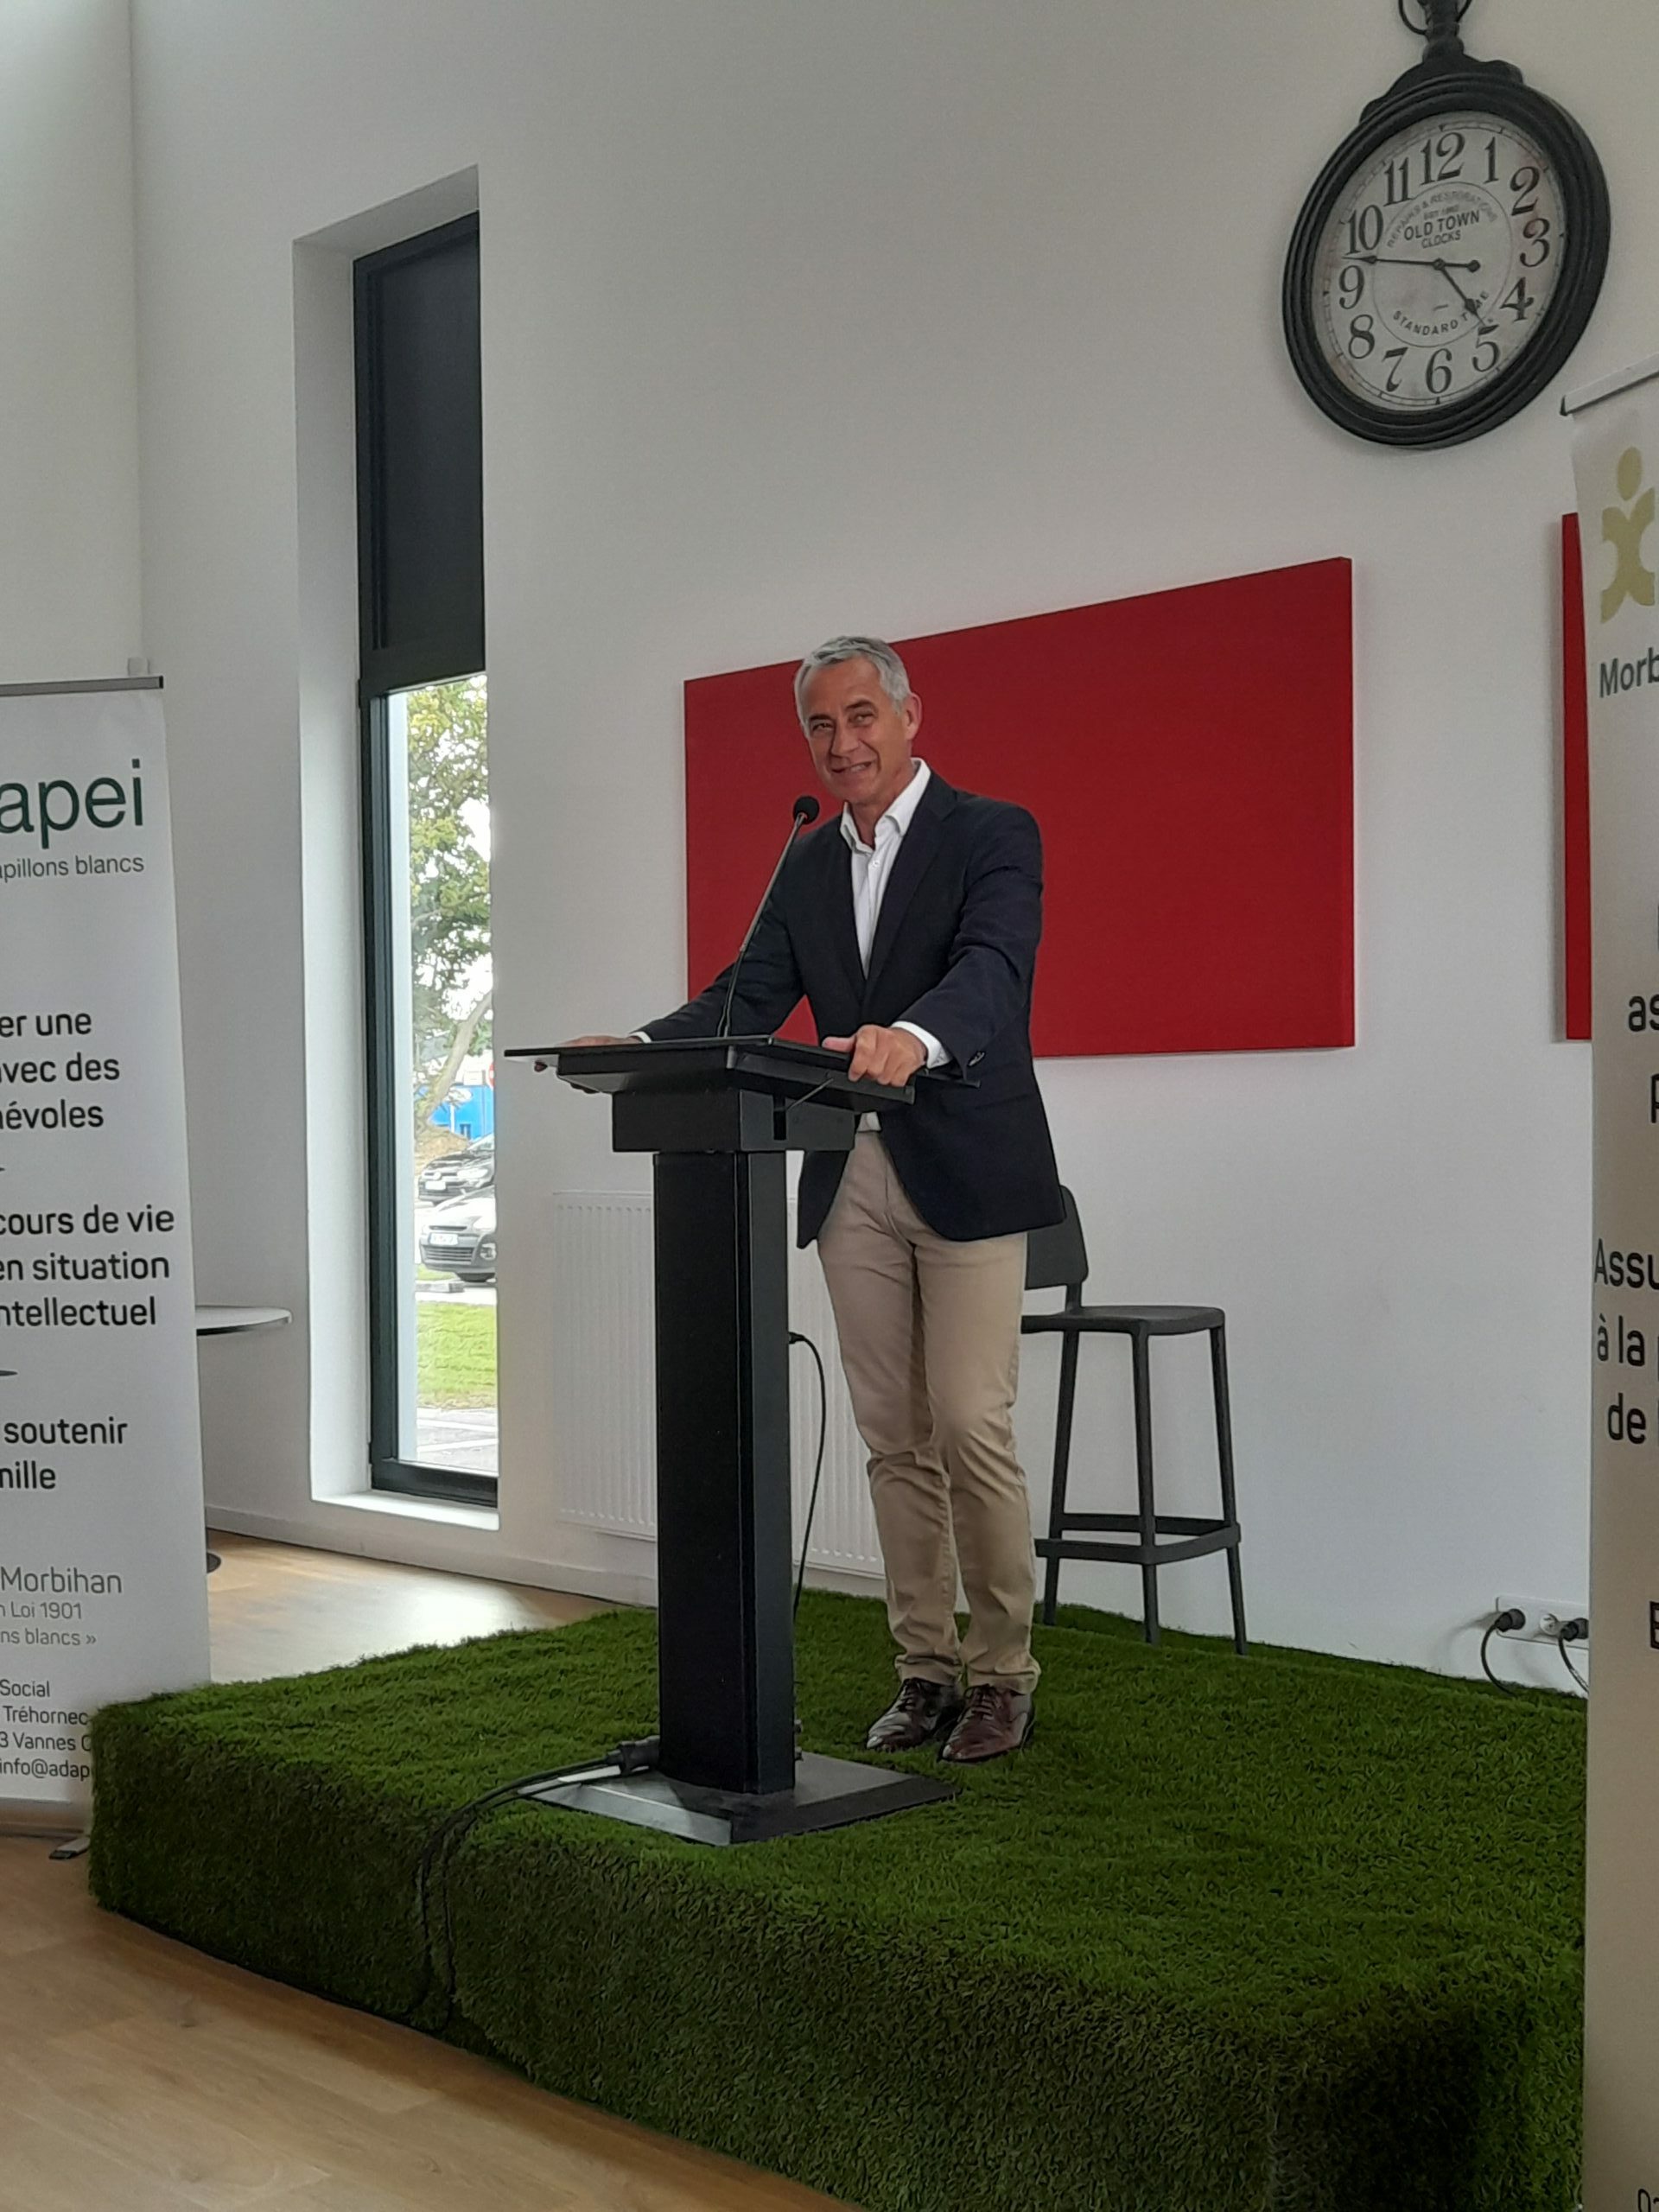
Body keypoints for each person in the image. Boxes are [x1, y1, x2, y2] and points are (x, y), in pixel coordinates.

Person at [570, 636, 1063, 1763]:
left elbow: (994, 969)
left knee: (969, 1423)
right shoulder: (805, 864)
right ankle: (925, 1672)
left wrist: (916, 1035)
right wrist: (641, 1045)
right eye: (822, 726)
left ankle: (1003, 1676)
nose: (843, 744)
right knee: (894, 1436)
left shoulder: (993, 833)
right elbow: (742, 998)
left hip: (969, 1169)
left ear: (909, 715)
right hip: (850, 1172)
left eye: (861, 716)